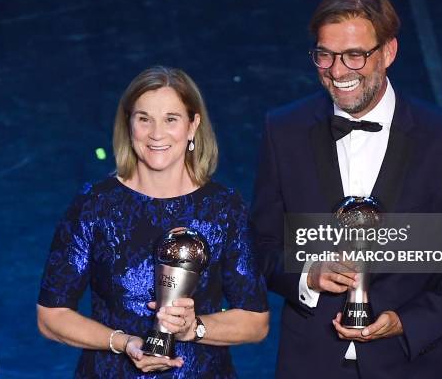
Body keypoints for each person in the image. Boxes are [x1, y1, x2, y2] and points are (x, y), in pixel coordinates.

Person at [250, 0, 442, 379]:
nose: (337, 72)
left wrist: (406, 321)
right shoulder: (283, 131)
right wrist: (308, 275)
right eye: (325, 55)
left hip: (414, 365)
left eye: (354, 56)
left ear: (388, 52)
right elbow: (261, 245)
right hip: (311, 366)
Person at [37, 66, 269, 378]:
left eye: (170, 119)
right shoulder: (95, 203)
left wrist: (195, 328)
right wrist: (122, 342)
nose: (156, 133)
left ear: (193, 125)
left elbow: (256, 323)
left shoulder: (224, 207)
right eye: (144, 118)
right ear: (128, 124)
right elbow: (51, 316)